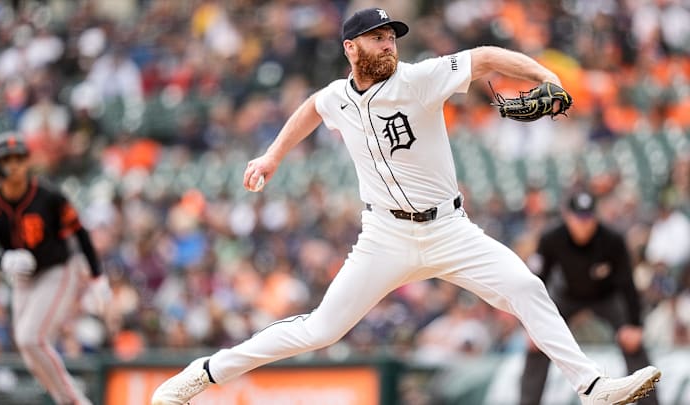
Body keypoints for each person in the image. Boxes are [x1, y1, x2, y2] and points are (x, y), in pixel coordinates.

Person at [152, 8, 660, 405]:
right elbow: (312, 107)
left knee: (526, 287)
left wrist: (545, 74)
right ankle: (202, 375)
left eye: (392, 36)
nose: (389, 43)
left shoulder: (419, 79)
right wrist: (271, 156)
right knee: (321, 330)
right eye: (377, 37)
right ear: (351, 47)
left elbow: (483, 55)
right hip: (385, 238)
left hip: (450, 230)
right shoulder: (338, 96)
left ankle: (591, 386)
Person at [0, 132, 110, 405]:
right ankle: (64, 398)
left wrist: (96, 277)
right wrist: (4, 260)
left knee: (31, 337)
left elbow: (80, 232)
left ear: (27, 162)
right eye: (6, 159)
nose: (13, 165)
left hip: (57, 269)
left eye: (18, 158)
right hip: (23, 277)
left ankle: (75, 401)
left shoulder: (49, 195)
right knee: (26, 347)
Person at [520, 190, 659, 405]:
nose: (584, 223)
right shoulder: (551, 238)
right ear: (567, 217)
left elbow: (627, 285)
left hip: (606, 296)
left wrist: (634, 324)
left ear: (596, 216)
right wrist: (531, 325)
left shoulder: (612, 239)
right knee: (537, 342)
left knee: (633, 342)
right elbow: (537, 281)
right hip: (566, 295)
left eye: (588, 217)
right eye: (578, 217)